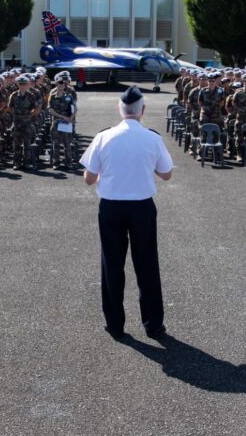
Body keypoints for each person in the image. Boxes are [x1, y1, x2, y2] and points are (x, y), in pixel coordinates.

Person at [80, 86, 173, 341]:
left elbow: (88, 179)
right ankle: (153, 324)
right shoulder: (152, 138)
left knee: (112, 264)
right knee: (147, 265)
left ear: (119, 110)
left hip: (111, 207)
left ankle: (115, 324)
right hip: (142, 207)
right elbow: (166, 174)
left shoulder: (103, 137)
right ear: (142, 110)